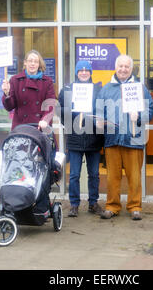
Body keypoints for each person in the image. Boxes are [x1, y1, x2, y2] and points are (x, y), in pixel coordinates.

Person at [96, 55, 153, 221]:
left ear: (131, 69)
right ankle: (112, 206)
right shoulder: (106, 89)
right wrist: (100, 122)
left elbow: (151, 110)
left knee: (134, 177)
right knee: (112, 177)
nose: (123, 69)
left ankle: (134, 207)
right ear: (115, 67)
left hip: (134, 139)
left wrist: (140, 116)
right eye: (120, 66)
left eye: (126, 67)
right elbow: (99, 112)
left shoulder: (139, 88)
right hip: (112, 139)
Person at [58, 60, 104, 217]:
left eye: (87, 70)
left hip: (94, 138)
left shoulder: (98, 90)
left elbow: (103, 109)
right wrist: (71, 124)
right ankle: (74, 204)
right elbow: (61, 111)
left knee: (94, 174)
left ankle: (93, 202)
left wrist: (98, 122)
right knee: (74, 174)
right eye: (81, 70)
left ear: (90, 72)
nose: (84, 72)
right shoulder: (67, 90)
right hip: (75, 139)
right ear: (76, 72)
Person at [1, 50, 56, 131]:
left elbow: (50, 104)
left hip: (40, 127)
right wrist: (7, 94)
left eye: (36, 61)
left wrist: (45, 120)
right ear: (25, 63)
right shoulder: (15, 80)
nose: (33, 64)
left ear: (39, 64)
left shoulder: (47, 82)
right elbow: (9, 107)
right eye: (30, 61)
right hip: (21, 128)